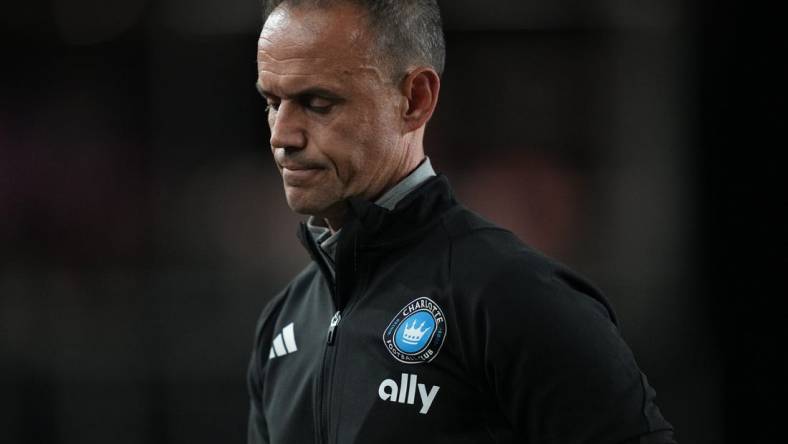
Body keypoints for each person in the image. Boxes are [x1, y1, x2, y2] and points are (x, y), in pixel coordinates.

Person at [247, 1, 676, 443]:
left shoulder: (510, 297)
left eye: (317, 103)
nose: (282, 135)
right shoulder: (284, 323)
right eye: (272, 102)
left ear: (414, 99)